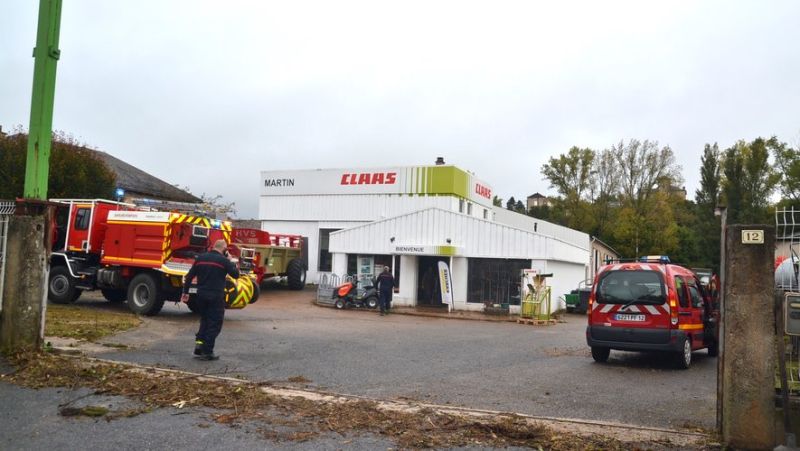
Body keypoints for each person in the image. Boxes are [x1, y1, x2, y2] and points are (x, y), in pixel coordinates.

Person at [181, 239, 240, 360]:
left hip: (201, 295)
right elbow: (236, 274)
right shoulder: (224, 261)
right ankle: (207, 352)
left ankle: (199, 347)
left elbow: (190, 276)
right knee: (214, 323)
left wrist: (185, 292)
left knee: (205, 320)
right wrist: (230, 260)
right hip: (215, 296)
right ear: (224, 250)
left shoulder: (201, 259)